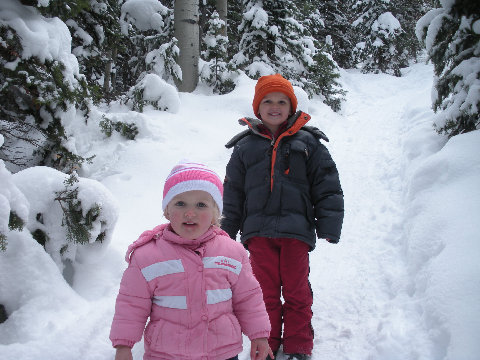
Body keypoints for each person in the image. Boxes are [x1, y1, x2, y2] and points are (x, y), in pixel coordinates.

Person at [221, 74, 344, 360]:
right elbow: (233, 192)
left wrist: (329, 224)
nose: (274, 107)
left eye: (281, 101)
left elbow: (327, 185)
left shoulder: (309, 143)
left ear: (291, 107)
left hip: (296, 233)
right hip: (258, 233)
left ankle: (298, 345)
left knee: (297, 291)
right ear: (257, 107)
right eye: (267, 101)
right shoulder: (245, 147)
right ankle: (266, 344)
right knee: (263, 293)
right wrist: (226, 230)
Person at [110, 161, 274, 360]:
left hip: (221, 352)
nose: (190, 212)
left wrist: (259, 335)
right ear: (167, 210)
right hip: (167, 353)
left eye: (201, 205)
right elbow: (131, 304)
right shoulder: (147, 257)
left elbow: (248, 298)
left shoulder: (232, 253)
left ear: (215, 214)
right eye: (180, 203)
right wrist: (123, 346)